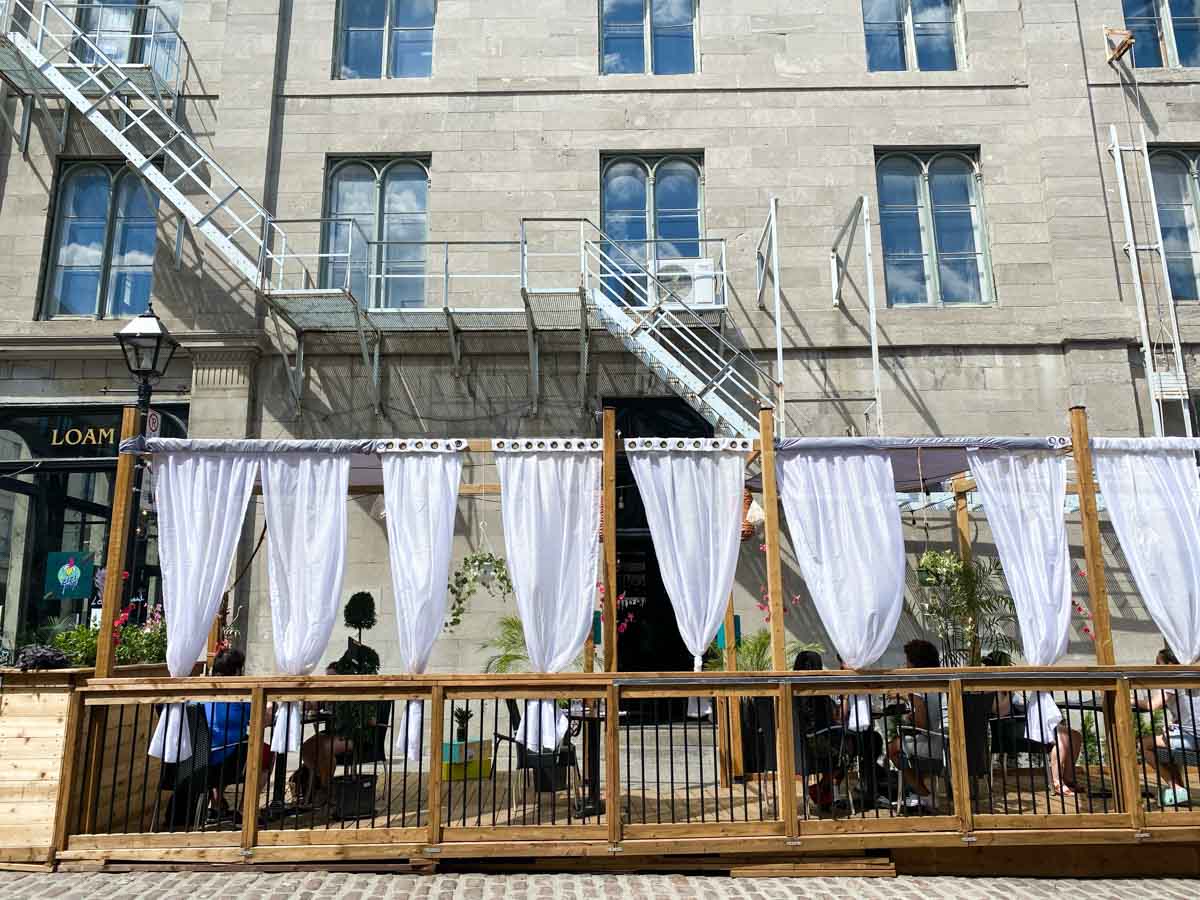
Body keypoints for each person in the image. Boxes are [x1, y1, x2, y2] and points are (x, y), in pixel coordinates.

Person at [984, 650, 1082, 796]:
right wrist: (1009, 690)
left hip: (1022, 723)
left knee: (1074, 735)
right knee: (1060, 740)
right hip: (1009, 729)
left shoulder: (1004, 685)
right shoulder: (989, 686)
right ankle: (1057, 781)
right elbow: (1000, 712)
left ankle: (1068, 777)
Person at [1133, 647, 1198, 808]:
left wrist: (1133, 701)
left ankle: (1175, 787)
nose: (1155, 667)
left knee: (1144, 744)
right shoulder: (1191, 675)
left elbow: (1153, 705)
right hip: (1190, 734)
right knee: (1166, 745)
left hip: (1193, 738)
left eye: (1158, 663)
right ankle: (1180, 789)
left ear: (1170, 664)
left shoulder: (1173, 679)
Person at [886, 639, 945, 813]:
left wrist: (908, 699)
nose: (905, 664)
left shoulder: (918, 687)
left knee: (892, 749)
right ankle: (919, 795)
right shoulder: (941, 681)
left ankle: (925, 794)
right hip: (947, 743)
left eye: (907, 661)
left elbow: (922, 724)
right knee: (906, 747)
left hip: (932, 744)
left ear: (915, 663)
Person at [201, 648, 255, 823]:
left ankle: (215, 805)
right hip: (226, 760)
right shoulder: (238, 695)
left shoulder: (199, 692)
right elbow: (259, 717)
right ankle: (244, 812)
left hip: (197, 759)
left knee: (229, 746)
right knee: (266, 753)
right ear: (237, 671)